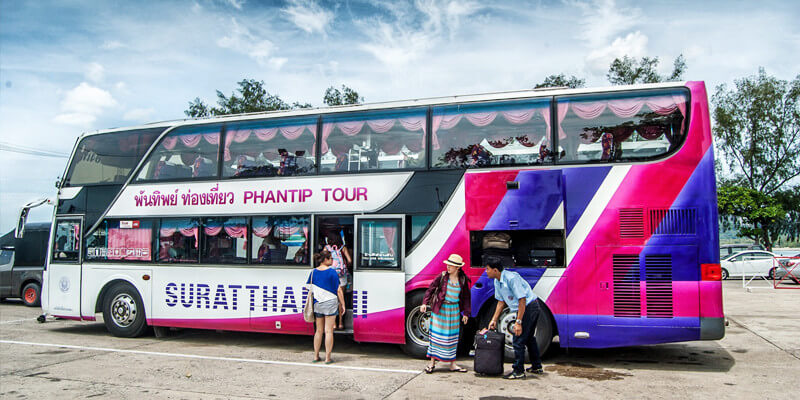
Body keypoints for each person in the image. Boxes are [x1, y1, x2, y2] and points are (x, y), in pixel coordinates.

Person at [486, 260, 544, 379]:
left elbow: (522, 299)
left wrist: (518, 322)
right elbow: (501, 302)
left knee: (518, 340)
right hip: (526, 307)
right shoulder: (497, 281)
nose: (486, 271)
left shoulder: (511, 279)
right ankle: (536, 366)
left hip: (529, 307)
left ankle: (518, 371)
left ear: (495, 270)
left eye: (488, 269)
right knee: (529, 339)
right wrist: (494, 320)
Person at [420, 254, 472, 373]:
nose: (448, 267)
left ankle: (452, 364)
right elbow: (431, 289)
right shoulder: (442, 276)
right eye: (448, 264)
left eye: (451, 265)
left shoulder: (462, 279)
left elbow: (466, 297)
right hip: (440, 309)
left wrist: (466, 313)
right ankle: (432, 363)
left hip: (453, 311)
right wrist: (424, 303)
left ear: (457, 267)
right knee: (436, 337)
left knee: (452, 337)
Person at [306, 250, 346, 364]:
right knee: (328, 331)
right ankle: (328, 358)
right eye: (331, 258)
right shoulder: (332, 272)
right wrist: (343, 304)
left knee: (318, 331)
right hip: (330, 303)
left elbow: (308, 288)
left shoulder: (313, 272)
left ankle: (316, 356)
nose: (333, 261)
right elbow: (338, 289)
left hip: (318, 303)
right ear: (326, 259)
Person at [324, 232, 352, 329]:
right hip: (341, 275)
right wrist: (345, 269)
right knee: (341, 299)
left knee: (332, 299)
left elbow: (323, 261)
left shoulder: (327, 248)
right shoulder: (342, 247)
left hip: (330, 275)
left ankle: (334, 324)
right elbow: (349, 260)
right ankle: (340, 323)